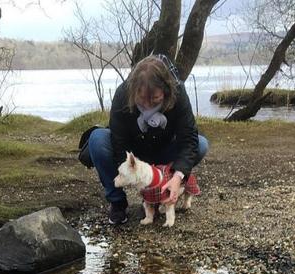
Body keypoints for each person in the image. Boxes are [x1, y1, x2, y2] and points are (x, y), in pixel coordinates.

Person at [88, 55, 209, 225]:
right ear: (133, 91)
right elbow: (118, 141)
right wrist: (131, 174)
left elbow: (188, 138)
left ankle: (166, 188)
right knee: (97, 139)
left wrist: (178, 177)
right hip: (133, 154)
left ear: (166, 92)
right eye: (142, 99)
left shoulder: (178, 92)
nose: (147, 105)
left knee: (201, 144)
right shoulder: (123, 94)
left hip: (165, 151)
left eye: (155, 100)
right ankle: (117, 203)